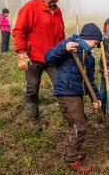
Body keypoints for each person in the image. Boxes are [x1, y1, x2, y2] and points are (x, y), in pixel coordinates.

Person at [44, 23, 102, 173]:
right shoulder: (70, 44)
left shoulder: (89, 59)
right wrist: (64, 48)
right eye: (95, 43)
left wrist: (97, 98)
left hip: (76, 93)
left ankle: (71, 153)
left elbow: (90, 81)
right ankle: (71, 159)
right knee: (79, 126)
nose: (95, 47)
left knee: (77, 124)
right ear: (89, 38)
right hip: (66, 92)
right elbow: (48, 58)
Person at [12, 0, 65, 131]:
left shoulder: (57, 11)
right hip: (34, 59)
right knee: (32, 89)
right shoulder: (30, 8)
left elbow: (61, 33)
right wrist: (22, 52)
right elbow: (19, 31)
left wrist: (62, 49)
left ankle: (69, 114)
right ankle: (33, 120)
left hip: (53, 57)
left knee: (61, 86)